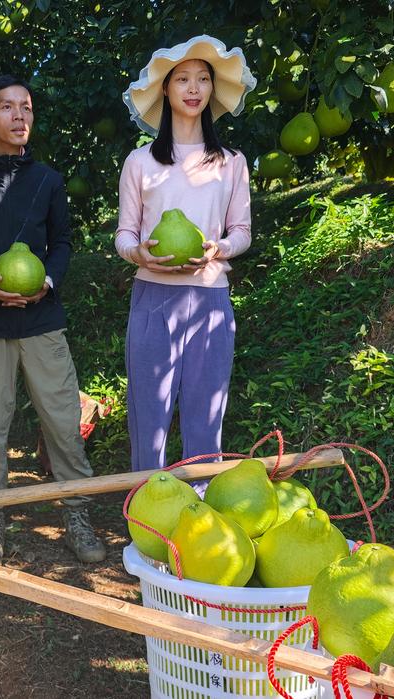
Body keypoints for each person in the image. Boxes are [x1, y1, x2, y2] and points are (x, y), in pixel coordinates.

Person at [0, 74, 106, 565]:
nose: (19, 115)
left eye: (26, 107)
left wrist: (46, 281)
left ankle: (77, 514)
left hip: (42, 317)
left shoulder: (47, 180)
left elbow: (63, 242)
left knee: (63, 420)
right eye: (7, 107)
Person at [115, 36, 256, 472]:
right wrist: (138, 254)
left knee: (205, 421)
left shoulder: (232, 161)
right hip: (152, 299)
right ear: (165, 88)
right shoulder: (139, 161)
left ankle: (201, 505)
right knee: (148, 420)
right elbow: (124, 234)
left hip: (211, 300)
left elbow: (242, 232)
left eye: (202, 79)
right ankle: (144, 505)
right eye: (182, 79)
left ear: (212, 89)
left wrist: (220, 249)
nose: (193, 88)